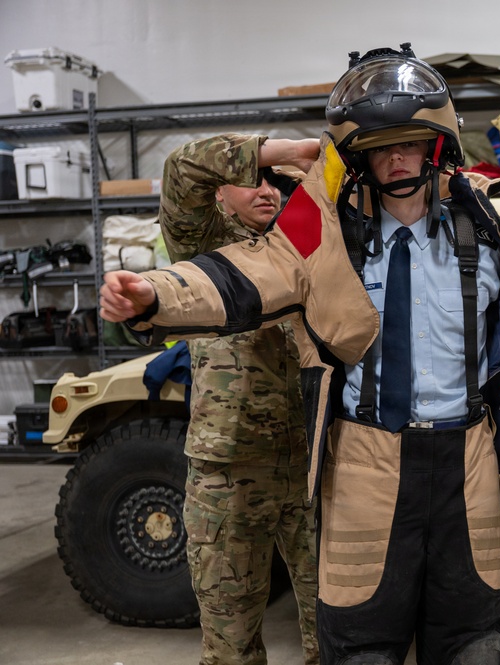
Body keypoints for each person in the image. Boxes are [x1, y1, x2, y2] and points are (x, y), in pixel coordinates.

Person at [98, 44, 500, 665]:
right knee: (359, 647)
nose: (396, 160)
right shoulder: (322, 228)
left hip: (468, 465)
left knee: (473, 646)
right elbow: (237, 278)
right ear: (358, 158)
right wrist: (150, 295)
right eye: (380, 149)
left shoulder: (485, 227)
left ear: (438, 143)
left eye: (408, 143)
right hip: (363, 466)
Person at [158, 132, 322, 665]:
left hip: (318, 466)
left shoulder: (313, 247)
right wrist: (279, 153)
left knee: (342, 632)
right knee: (230, 642)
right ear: (219, 195)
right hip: (230, 469)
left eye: (275, 183)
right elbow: (181, 168)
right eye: (249, 178)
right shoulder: (205, 246)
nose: (265, 189)